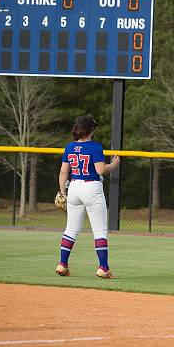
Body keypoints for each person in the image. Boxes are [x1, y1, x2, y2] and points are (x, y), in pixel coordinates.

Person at [55, 115, 120, 279]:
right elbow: (101, 170)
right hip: (91, 187)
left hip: (74, 187)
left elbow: (63, 172)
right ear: (91, 130)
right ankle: (103, 268)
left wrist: (63, 192)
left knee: (71, 229)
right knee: (99, 230)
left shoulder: (69, 147)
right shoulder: (95, 147)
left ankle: (62, 264)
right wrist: (114, 165)